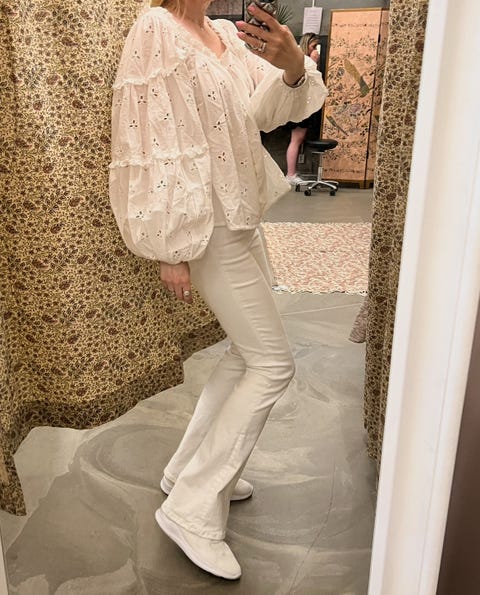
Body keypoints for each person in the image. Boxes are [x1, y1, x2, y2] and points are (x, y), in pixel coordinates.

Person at [109, 0, 327, 581]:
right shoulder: (156, 28)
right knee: (272, 364)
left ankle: (186, 472)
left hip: (240, 211)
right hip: (206, 227)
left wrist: (292, 68)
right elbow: (147, 143)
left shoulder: (224, 35)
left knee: (246, 355)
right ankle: (192, 511)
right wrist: (170, 246)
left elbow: (262, 113)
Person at [285, 32, 323, 186]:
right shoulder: (303, 62)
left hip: (303, 105)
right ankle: (290, 174)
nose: (315, 50)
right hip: (299, 106)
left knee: (298, 139)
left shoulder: (303, 60)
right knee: (296, 139)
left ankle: (292, 173)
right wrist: (313, 61)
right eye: (313, 46)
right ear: (306, 45)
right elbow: (306, 81)